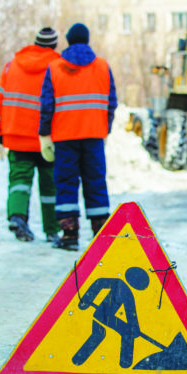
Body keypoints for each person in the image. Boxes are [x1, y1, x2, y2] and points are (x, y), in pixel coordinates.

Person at [38, 22, 117, 251]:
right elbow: (111, 102)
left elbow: (46, 105)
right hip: (94, 135)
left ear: (69, 40)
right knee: (96, 182)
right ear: (87, 40)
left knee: (65, 184)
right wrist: (105, 129)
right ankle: (101, 234)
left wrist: (44, 134)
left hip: (64, 136)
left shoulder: (54, 68)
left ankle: (69, 234)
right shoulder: (102, 66)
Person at [0, 27, 61, 243]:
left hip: (16, 134)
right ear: (54, 45)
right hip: (47, 138)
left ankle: (17, 217)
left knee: (19, 180)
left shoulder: (11, 66)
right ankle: (52, 230)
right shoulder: (58, 67)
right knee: (50, 184)